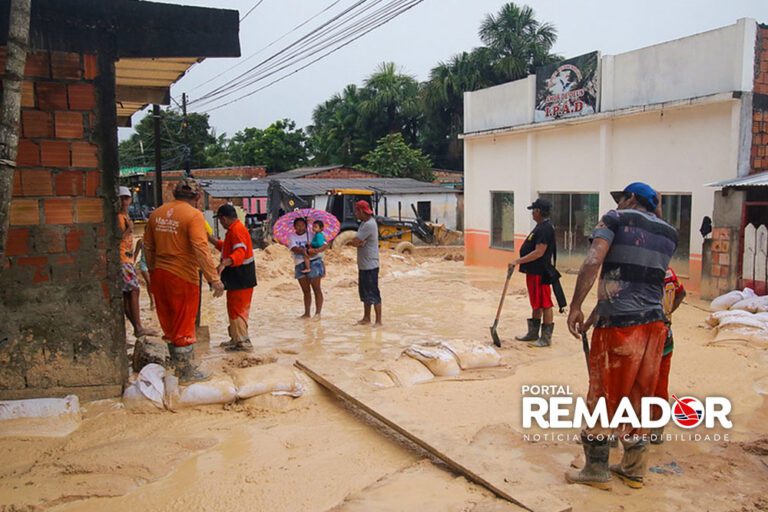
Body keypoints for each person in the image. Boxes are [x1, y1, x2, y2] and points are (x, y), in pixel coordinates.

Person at [565, 182, 677, 490]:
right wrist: (591, 318)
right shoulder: (669, 234)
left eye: (622, 199)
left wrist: (574, 306)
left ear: (630, 199)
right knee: (639, 397)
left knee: (601, 396)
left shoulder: (615, 218)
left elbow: (593, 262)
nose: (619, 203)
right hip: (655, 326)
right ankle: (633, 469)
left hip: (619, 327)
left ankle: (597, 470)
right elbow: (635, 283)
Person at [143, 177, 225, 383]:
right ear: (197, 197)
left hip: (159, 274)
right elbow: (200, 248)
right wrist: (214, 279)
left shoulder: (157, 214)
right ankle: (186, 371)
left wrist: (153, 272)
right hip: (182, 275)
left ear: (174, 194)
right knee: (184, 321)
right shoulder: (194, 215)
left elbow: (147, 247)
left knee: (169, 322)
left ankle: (175, 366)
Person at [510, 198, 557, 347]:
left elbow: (539, 252)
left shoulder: (545, 228)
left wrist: (517, 261)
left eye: (533, 211)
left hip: (540, 272)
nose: (532, 214)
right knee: (536, 303)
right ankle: (532, 333)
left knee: (545, 303)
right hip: (533, 272)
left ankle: (545, 338)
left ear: (538, 211)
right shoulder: (540, 227)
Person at [210, 204, 257, 352]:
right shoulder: (234, 230)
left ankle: (243, 343)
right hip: (238, 278)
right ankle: (236, 339)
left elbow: (239, 252)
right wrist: (211, 240)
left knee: (238, 310)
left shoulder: (237, 230)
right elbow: (227, 247)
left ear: (223, 218)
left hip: (241, 278)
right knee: (234, 308)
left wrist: (224, 263)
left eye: (220, 220)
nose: (220, 223)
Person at [650, 266, 686, 444]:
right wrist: (668, 314)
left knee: (629, 380)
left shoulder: (642, 267)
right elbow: (681, 294)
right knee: (660, 382)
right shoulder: (670, 272)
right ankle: (656, 428)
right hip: (666, 335)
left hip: (643, 335)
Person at [118, 186, 155, 337]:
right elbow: (116, 239)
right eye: (121, 198)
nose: (124, 201)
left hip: (128, 260)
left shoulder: (125, 217)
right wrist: (128, 229)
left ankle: (137, 327)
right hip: (123, 259)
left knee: (129, 294)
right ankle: (138, 327)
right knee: (134, 290)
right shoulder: (119, 218)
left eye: (126, 198)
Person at [348, 200, 381, 326]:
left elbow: (356, 241)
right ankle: (367, 318)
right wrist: (358, 242)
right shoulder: (364, 223)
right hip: (364, 263)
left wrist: (354, 242)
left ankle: (378, 321)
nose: (355, 214)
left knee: (373, 292)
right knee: (365, 292)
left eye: (356, 211)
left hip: (370, 264)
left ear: (361, 211)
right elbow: (358, 241)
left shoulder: (369, 225)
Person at [288, 217, 326, 318]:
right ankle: (307, 313)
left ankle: (318, 313)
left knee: (316, 288)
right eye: (298, 226)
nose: (300, 228)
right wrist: (303, 251)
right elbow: (293, 248)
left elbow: (325, 244)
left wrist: (316, 250)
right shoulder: (292, 236)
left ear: (306, 226)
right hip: (299, 263)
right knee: (306, 291)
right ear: (294, 227)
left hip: (314, 262)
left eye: (302, 225)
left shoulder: (313, 234)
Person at [133, 238, 154, 310]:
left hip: (152, 264)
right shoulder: (141, 241)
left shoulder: (155, 240)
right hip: (143, 264)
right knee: (149, 282)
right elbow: (136, 253)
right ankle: (152, 301)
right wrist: (132, 264)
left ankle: (156, 300)